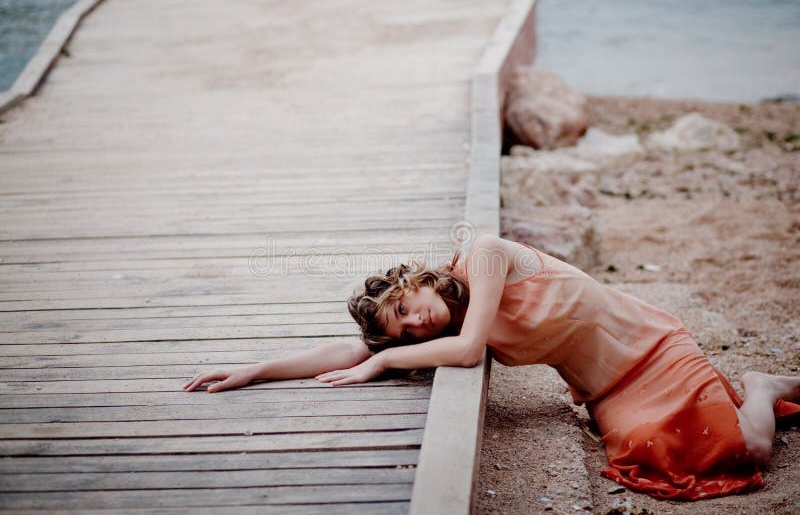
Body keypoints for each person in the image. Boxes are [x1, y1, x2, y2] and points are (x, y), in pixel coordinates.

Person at [184, 234, 800, 501]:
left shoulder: (484, 257)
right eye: (406, 329)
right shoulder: (450, 326)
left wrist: (389, 360)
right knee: (659, 457)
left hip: (656, 352)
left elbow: (470, 350)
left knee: (747, 450)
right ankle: (751, 391)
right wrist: (256, 369)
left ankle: (762, 384)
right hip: (609, 391)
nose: (418, 322)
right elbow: (348, 352)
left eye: (406, 307)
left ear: (414, 279)